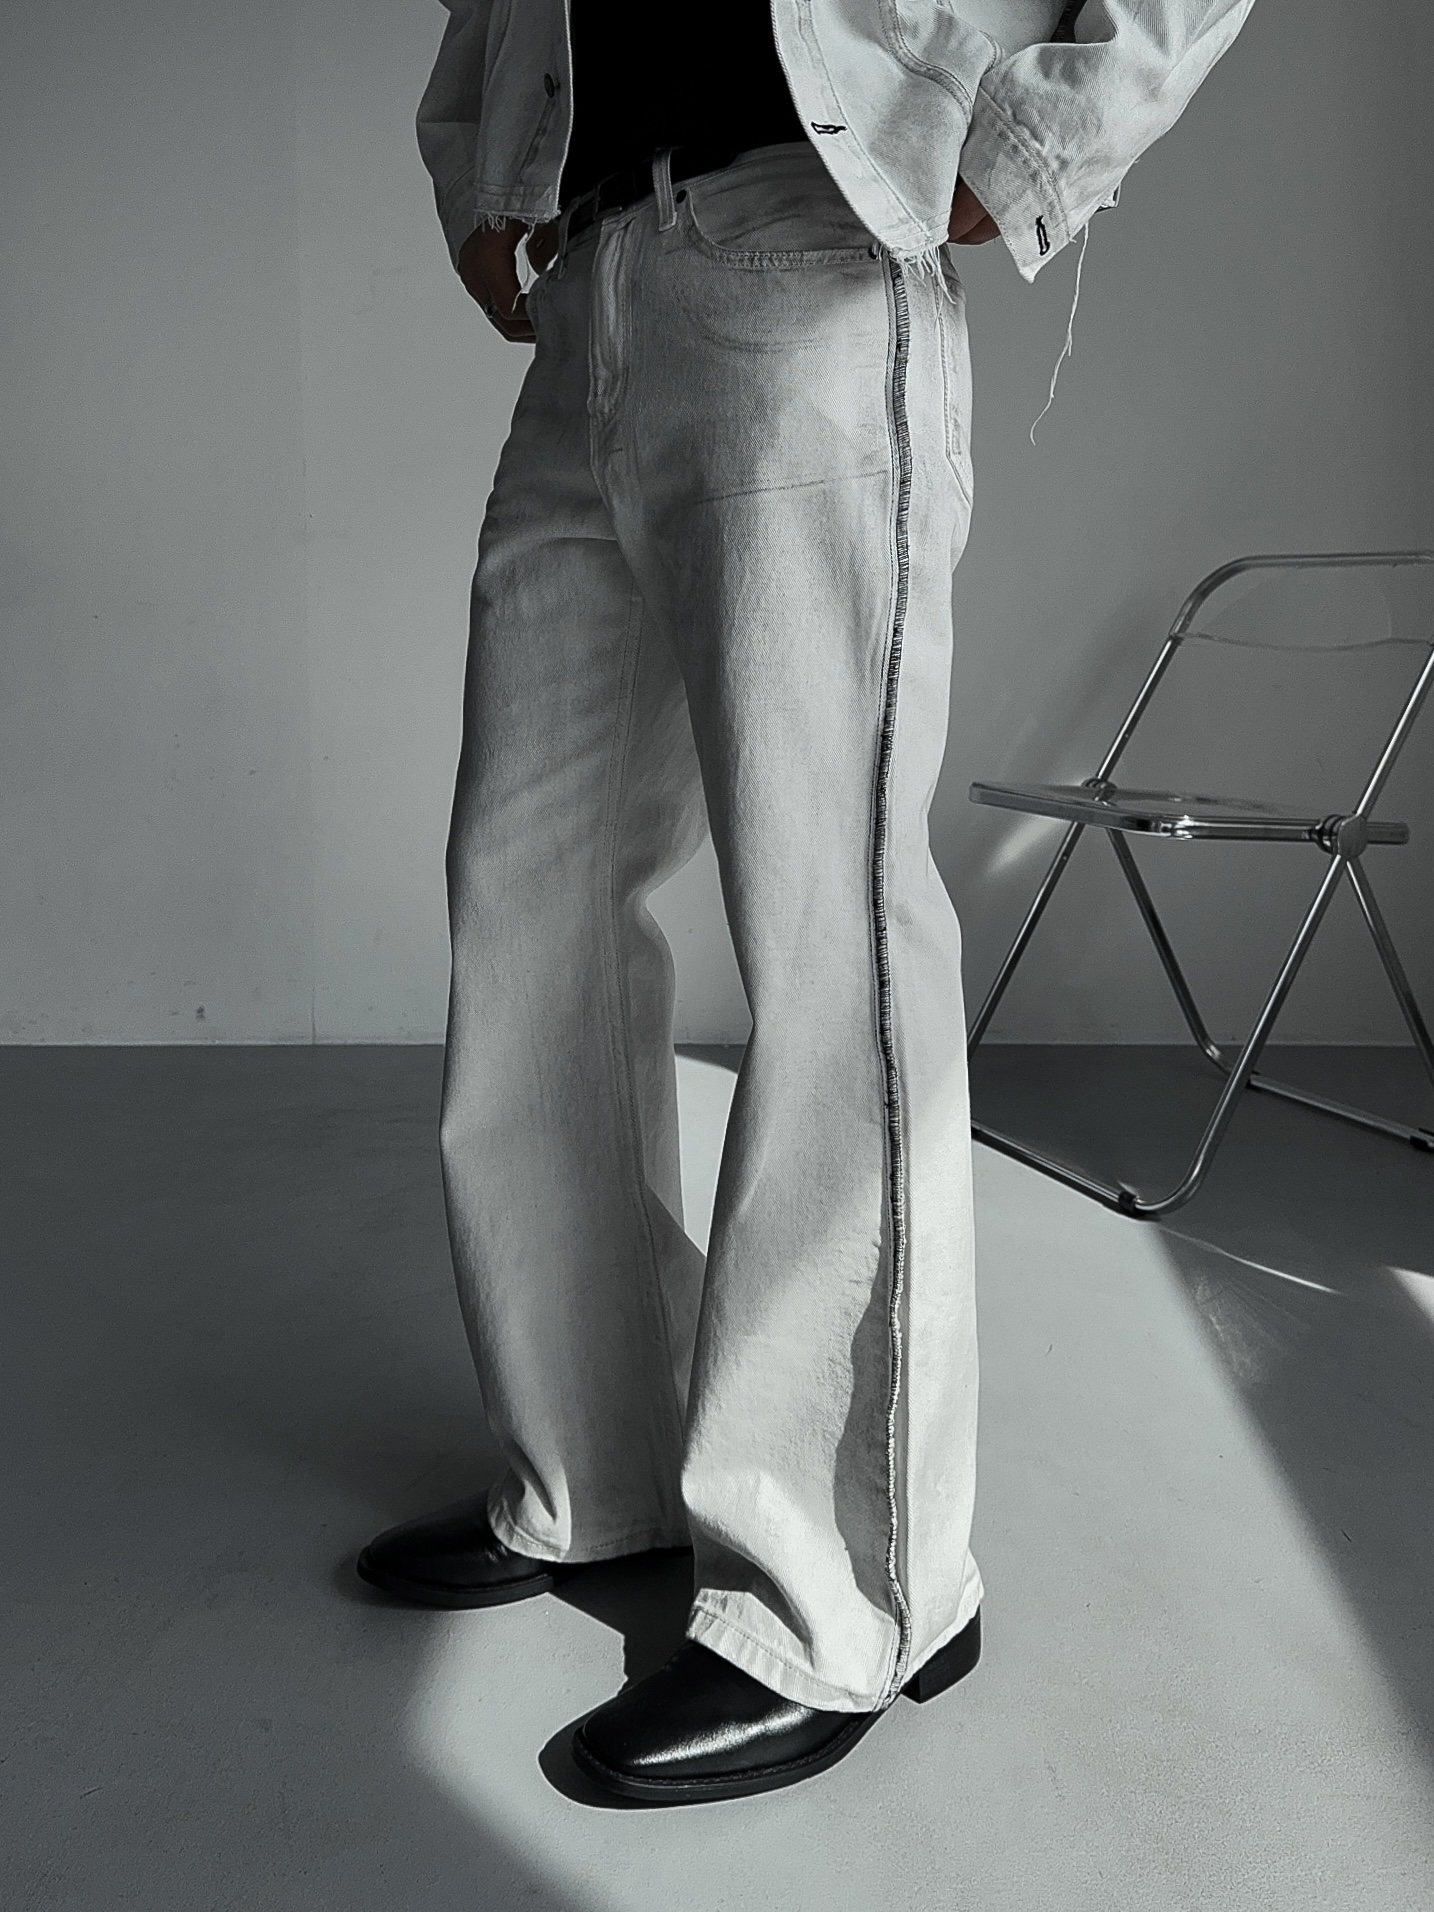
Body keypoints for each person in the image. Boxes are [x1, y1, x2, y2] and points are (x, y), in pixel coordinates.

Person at [357, 0, 1256, 1804]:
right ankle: (594, 1470)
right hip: (594, 268)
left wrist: (1037, 146)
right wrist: (479, 174)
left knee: (824, 915)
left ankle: (847, 1592)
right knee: (526, 898)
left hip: (807, 234)